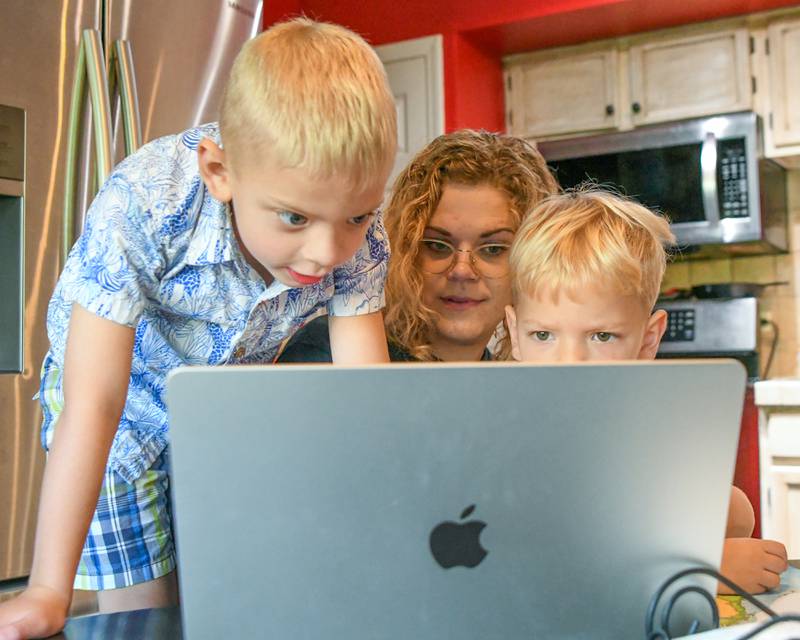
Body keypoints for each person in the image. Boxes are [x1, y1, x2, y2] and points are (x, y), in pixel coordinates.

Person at [0, 18, 396, 640]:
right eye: (294, 217)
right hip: (116, 408)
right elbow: (94, 402)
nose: (326, 251)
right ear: (220, 171)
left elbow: (366, 401)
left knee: (218, 594)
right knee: (147, 615)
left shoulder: (358, 238)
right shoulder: (146, 203)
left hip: (218, 411)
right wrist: (49, 589)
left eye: (355, 216)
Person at [504, 187, 789, 595]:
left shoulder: (644, 428)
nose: (569, 362)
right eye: (543, 334)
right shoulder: (509, 433)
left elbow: (738, 517)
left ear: (648, 339)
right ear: (515, 334)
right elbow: (550, 554)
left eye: (601, 336)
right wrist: (701, 566)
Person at [278, 129, 560, 364]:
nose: (462, 270)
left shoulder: (516, 386)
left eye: (493, 249)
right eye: (437, 245)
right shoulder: (328, 353)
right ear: (405, 249)